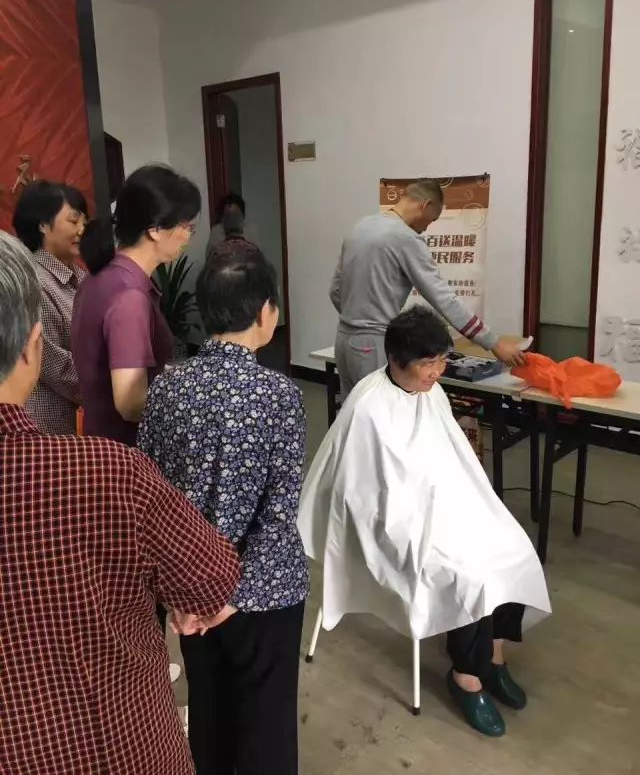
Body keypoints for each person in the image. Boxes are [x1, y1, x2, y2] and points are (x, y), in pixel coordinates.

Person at [0, 231, 241, 775]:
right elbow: (210, 580)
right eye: (184, 224)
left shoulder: (97, 285)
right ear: (32, 346)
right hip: (111, 745)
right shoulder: (108, 475)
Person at [298, 307, 551, 737]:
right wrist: (415, 515)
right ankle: (466, 676)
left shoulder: (430, 392)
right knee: (467, 570)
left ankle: (493, 656)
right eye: (428, 363)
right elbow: (358, 494)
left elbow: (451, 457)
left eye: (442, 361)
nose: (437, 372)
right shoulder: (369, 407)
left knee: (511, 546)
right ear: (396, 360)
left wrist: (460, 501)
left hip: (445, 502)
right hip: (393, 521)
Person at [138, 248, 309, 775]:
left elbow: (148, 496)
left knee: (208, 710)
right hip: (265, 594)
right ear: (264, 312)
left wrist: (181, 591)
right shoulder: (279, 395)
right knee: (266, 723)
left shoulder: (166, 388)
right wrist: (234, 594)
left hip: (192, 593)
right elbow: (278, 515)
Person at [330, 178, 526, 397]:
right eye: (431, 220)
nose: (425, 229)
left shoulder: (360, 227)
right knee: (379, 411)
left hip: (343, 339)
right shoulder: (405, 238)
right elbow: (443, 298)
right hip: (372, 344)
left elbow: (335, 290)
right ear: (426, 205)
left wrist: (356, 320)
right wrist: (493, 342)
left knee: (352, 410)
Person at [72, 164, 200, 446]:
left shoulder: (100, 277)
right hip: (127, 452)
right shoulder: (129, 296)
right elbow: (130, 403)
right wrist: (195, 408)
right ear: (155, 230)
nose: (188, 236)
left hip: (100, 442)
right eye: (186, 226)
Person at [12, 181, 87, 433]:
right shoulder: (33, 281)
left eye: (84, 221)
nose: (82, 229)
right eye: (74, 220)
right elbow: (53, 363)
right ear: (43, 225)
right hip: (47, 420)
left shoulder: (82, 277)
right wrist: (109, 386)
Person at [206, 192, 258, 257]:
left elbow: (257, 257)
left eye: (235, 216)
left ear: (242, 216)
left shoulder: (250, 231)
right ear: (222, 218)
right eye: (228, 216)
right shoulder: (216, 232)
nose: (232, 219)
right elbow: (210, 258)